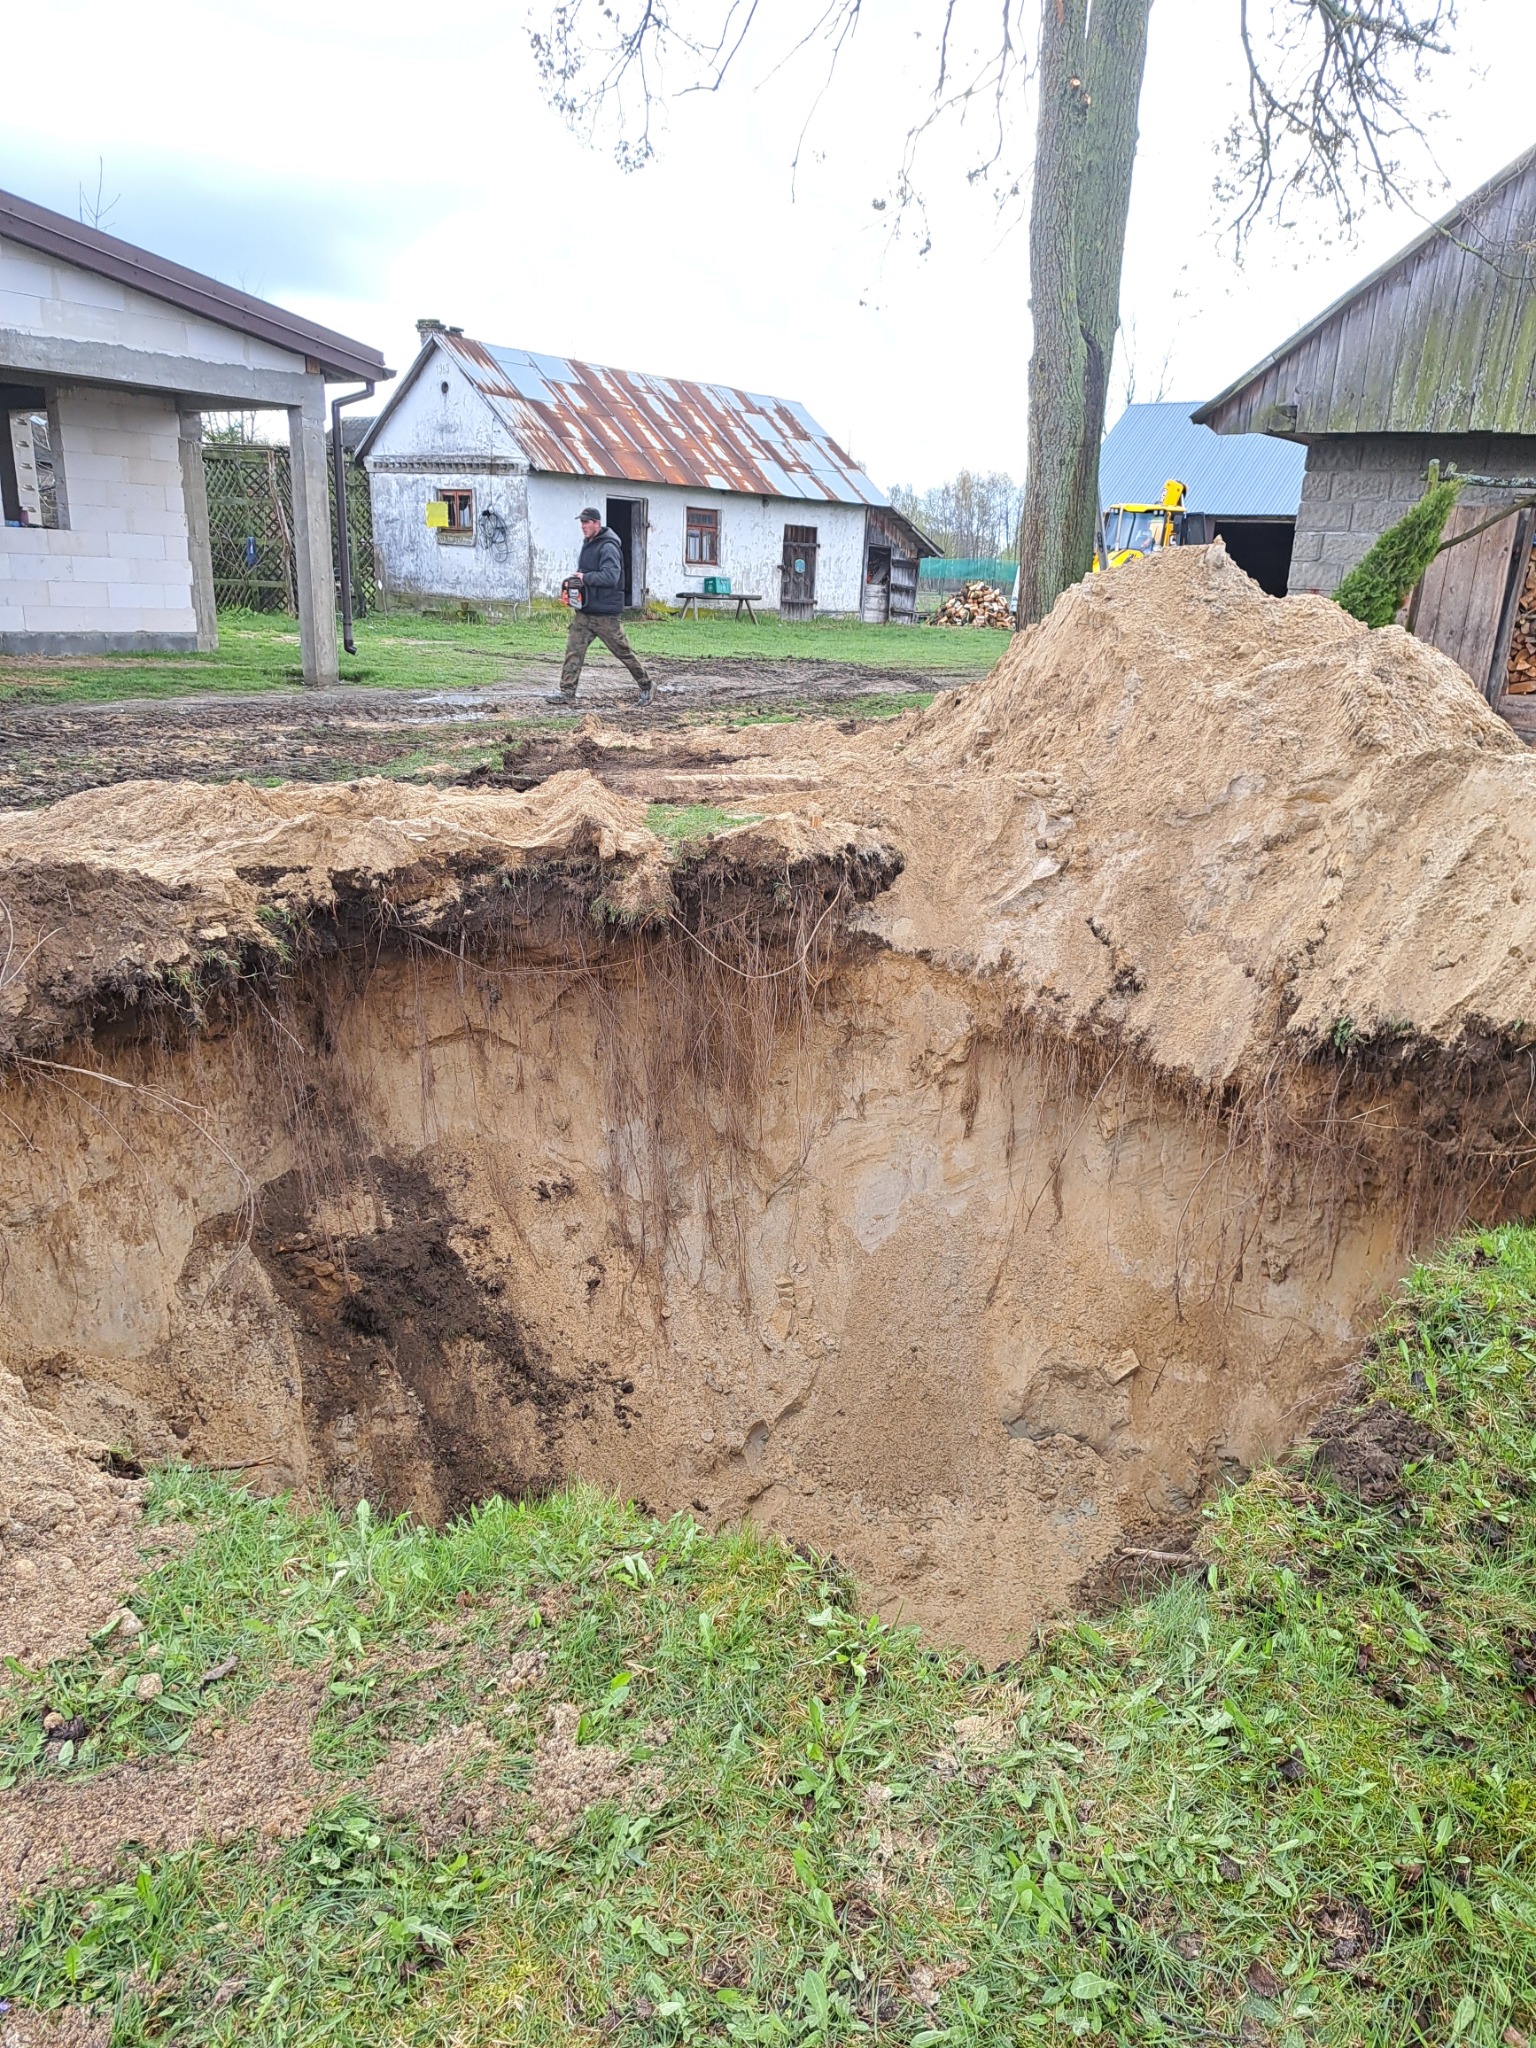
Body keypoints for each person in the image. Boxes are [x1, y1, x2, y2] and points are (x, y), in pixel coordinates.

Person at [552, 509, 652, 705]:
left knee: (623, 652)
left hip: (605, 614)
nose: (583, 526)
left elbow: (611, 577)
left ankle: (647, 685)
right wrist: (572, 591)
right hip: (586, 610)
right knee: (574, 650)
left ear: (597, 524)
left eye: (586, 522)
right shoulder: (588, 544)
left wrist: (585, 578)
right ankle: (567, 693)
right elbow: (585, 574)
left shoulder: (608, 547)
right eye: (581, 522)